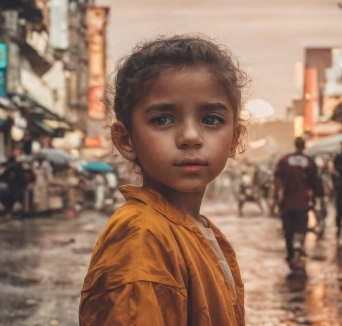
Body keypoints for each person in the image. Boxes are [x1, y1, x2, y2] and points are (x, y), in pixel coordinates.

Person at [79, 35, 246, 325]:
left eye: (211, 119)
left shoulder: (194, 228)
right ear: (126, 139)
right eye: (163, 120)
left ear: (235, 138)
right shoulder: (143, 237)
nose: (191, 137)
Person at [275, 137, 319, 271]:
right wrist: (315, 199)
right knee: (300, 229)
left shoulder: (285, 160)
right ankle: (298, 250)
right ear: (304, 146)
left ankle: (290, 254)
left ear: (295, 145)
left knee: (288, 230)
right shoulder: (310, 162)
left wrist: (277, 197)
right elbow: (315, 183)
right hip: (303, 202)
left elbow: (277, 179)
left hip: (287, 201)